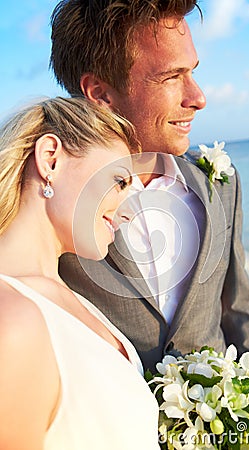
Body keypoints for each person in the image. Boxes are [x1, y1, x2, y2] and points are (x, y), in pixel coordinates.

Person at [50, 0, 249, 373]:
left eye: (193, 72)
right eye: (171, 77)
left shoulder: (222, 182)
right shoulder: (53, 202)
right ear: (100, 93)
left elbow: (239, 308)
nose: (198, 98)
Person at [0, 97, 160, 450]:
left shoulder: (69, 298)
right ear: (50, 159)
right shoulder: (12, 322)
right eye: (119, 181)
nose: (128, 212)